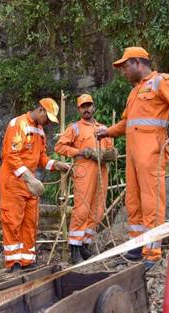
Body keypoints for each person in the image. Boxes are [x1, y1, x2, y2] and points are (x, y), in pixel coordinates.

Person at [96, 47, 169, 269]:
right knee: (134, 202)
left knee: (151, 202)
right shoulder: (134, 92)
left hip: (152, 153)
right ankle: (138, 244)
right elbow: (125, 123)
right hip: (133, 155)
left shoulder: (161, 81)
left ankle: (152, 251)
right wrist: (107, 131)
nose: (123, 72)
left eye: (125, 67)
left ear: (138, 63)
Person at [0, 98, 70, 272]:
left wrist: (55, 164)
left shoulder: (40, 131)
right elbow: (11, 156)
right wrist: (30, 179)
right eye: (47, 118)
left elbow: (41, 159)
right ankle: (13, 263)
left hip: (29, 183)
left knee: (30, 222)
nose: (47, 123)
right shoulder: (18, 124)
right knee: (13, 222)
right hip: (13, 181)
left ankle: (27, 261)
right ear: (40, 110)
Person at [54, 94, 116, 264]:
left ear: (93, 107)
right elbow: (59, 146)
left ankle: (84, 245)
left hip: (101, 171)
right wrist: (81, 152)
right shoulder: (74, 128)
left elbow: (110, 148)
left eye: (89, 105)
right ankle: (74, 247)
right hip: (84, 170)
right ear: (79, 109)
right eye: (83, 106)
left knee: (97, 210)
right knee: (81, 209)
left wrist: (109, 154)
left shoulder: (103, 129)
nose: (86, 109)